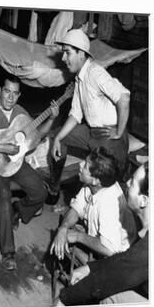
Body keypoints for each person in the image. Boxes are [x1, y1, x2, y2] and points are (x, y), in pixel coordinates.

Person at [0, 73, 58, 271]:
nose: (10, 97)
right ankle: (8, 252)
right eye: (7, 92)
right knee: (3, 196)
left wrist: (52, 119)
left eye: (15, 94)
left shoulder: (20, 112)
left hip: (17, 163)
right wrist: (3, 148)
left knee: (40, 192)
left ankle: (18, 211)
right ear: (0, 92)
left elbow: (36, 137)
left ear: (19, 96)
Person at [48, 29, 131, 202]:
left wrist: (119, 131)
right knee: (58, 137)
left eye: (67, 53)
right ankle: (54, 189)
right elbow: (76, 113)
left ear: (81, 53)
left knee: (103, 185)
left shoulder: (95, 72)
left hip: (109, 138)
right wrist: (58, 139)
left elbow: (123, 98)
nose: (63, 58)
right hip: (91, 132)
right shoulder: (80, 78)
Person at [57, 163, 149, 305]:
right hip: (122, 261)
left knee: (108, 296)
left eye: (133, 182)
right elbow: (77, 207)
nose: (127, 183)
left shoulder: (110, 205)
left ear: (143, 200)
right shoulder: (91, 187)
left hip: (116, 254)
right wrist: (89, 268)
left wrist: (65, 299)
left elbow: (117, 263)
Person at [50, 148, 132, 263]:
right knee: (62, 235)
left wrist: (79, 237)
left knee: (64, 245)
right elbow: (77, 208)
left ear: (95, 180)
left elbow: (110, 250)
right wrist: (63, 228)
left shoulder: (109, 205)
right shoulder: (94, 186)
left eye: (85, 166)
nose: (80, 164)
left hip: (116, 259)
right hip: (99, 240)